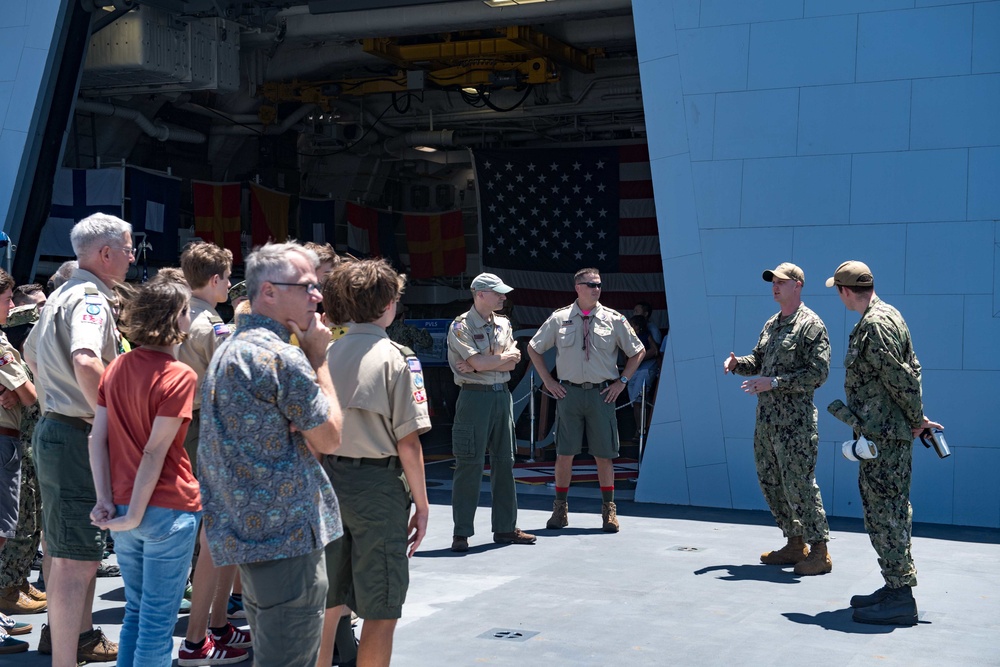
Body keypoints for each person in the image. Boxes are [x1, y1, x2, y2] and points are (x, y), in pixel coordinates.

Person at [198, 242, 343, 667]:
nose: (317, 296)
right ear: (269, 293)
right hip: (288, 543)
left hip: (251, 537)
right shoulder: (283, 358)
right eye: (306, 286)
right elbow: (330, 437)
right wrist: (319, 359)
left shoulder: (231, 348)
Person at [23, 212, 133, 666]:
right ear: (105, 254)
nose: (131, 255)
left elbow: (31, 352)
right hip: (76, 433)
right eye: (127, 247)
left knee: (64, 548)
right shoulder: (90, 299)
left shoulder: (61, 294)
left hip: (57, 427)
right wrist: (114, 416)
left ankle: (69, 642)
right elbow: (87, 359)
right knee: (76, 559)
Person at [318, 258, 431, 667]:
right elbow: (409, 443)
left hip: (327, 482)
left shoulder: (326, 352)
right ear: (387, 305)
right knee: (382, 606)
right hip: (378, 490)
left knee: (327, 600)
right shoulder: (398, 358)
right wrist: (422, 504)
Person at [88, 279, 201, 667]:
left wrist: (109, 502)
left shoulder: (116, 366)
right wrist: (134, 510)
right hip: (165, 506)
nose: (191, 317)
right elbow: (155, 450)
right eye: (186, 310)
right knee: (157, 621)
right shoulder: (179, 374)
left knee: (136, 613)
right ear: (174, 318)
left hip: (123, 507)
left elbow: (96, 440)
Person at [826, 260, 942, 625]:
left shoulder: (874, 325)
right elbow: (913, 369)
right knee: (887, 510)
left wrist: (915, 420)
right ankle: (894, 586)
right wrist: (913, 418)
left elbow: (903, 379)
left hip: (885, 437)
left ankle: (900, 596)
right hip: (884, 431)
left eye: (838, 291)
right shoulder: (889, 315)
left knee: (885, 513)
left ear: (846, 291)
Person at [722, 263, 833, 576]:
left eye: (781, 282)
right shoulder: (772, 323)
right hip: (768, 422)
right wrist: (738, 364)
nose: (774, 286)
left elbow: (818, 373)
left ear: (797, 285)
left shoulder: (810, 325)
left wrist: (775, 382)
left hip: (795, 424)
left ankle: (820, 550)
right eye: (772, 281)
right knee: (772, 482)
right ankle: (795, 544)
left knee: (800, 484)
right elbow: (759, 360)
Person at [174, 242, 252, 666]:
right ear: (217, 280)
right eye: (225, 277)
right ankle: (197, 638)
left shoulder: (175, 315)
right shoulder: (213, 326)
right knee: (217, 533)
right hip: (209, 427)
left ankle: (215, 624)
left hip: (180, 424)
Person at [527, 268, 644, 533]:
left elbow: (637, 351)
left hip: (602, 394)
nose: (596, 288)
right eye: (591, 284)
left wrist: (622, 381)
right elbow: (533, 348)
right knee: (564, 454)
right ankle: (560, 509)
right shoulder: (559, 319)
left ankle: (609, 510)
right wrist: (548, 380)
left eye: (599, 284)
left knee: (604, 455)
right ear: (577, 287)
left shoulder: (614, 319)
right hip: (569, 393)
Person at [447, 273, 535, 553]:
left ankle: (506, 527)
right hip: (474, 398)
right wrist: (484, 364)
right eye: (497, 293)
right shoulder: (460, 326)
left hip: (501, 398)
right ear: (480, 294)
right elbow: (485, 362)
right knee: (469, 464)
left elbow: (512, 362)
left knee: (504, 463)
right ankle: (461, 532)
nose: (503, 297)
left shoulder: (504, 324)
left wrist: (482, 364)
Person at [0, 301, 46, 618]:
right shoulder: (20, 364)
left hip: (32, 452)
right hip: (22, 451)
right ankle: (7, 586)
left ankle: (19, 581)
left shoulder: (35, 365)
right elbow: (29, 394)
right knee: (20, 525)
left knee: (33, 523)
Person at [0, 269, 38, 655]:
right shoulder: (1, 345)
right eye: (8, 298)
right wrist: (23, 385)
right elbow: (28, 395)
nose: (12, 307)